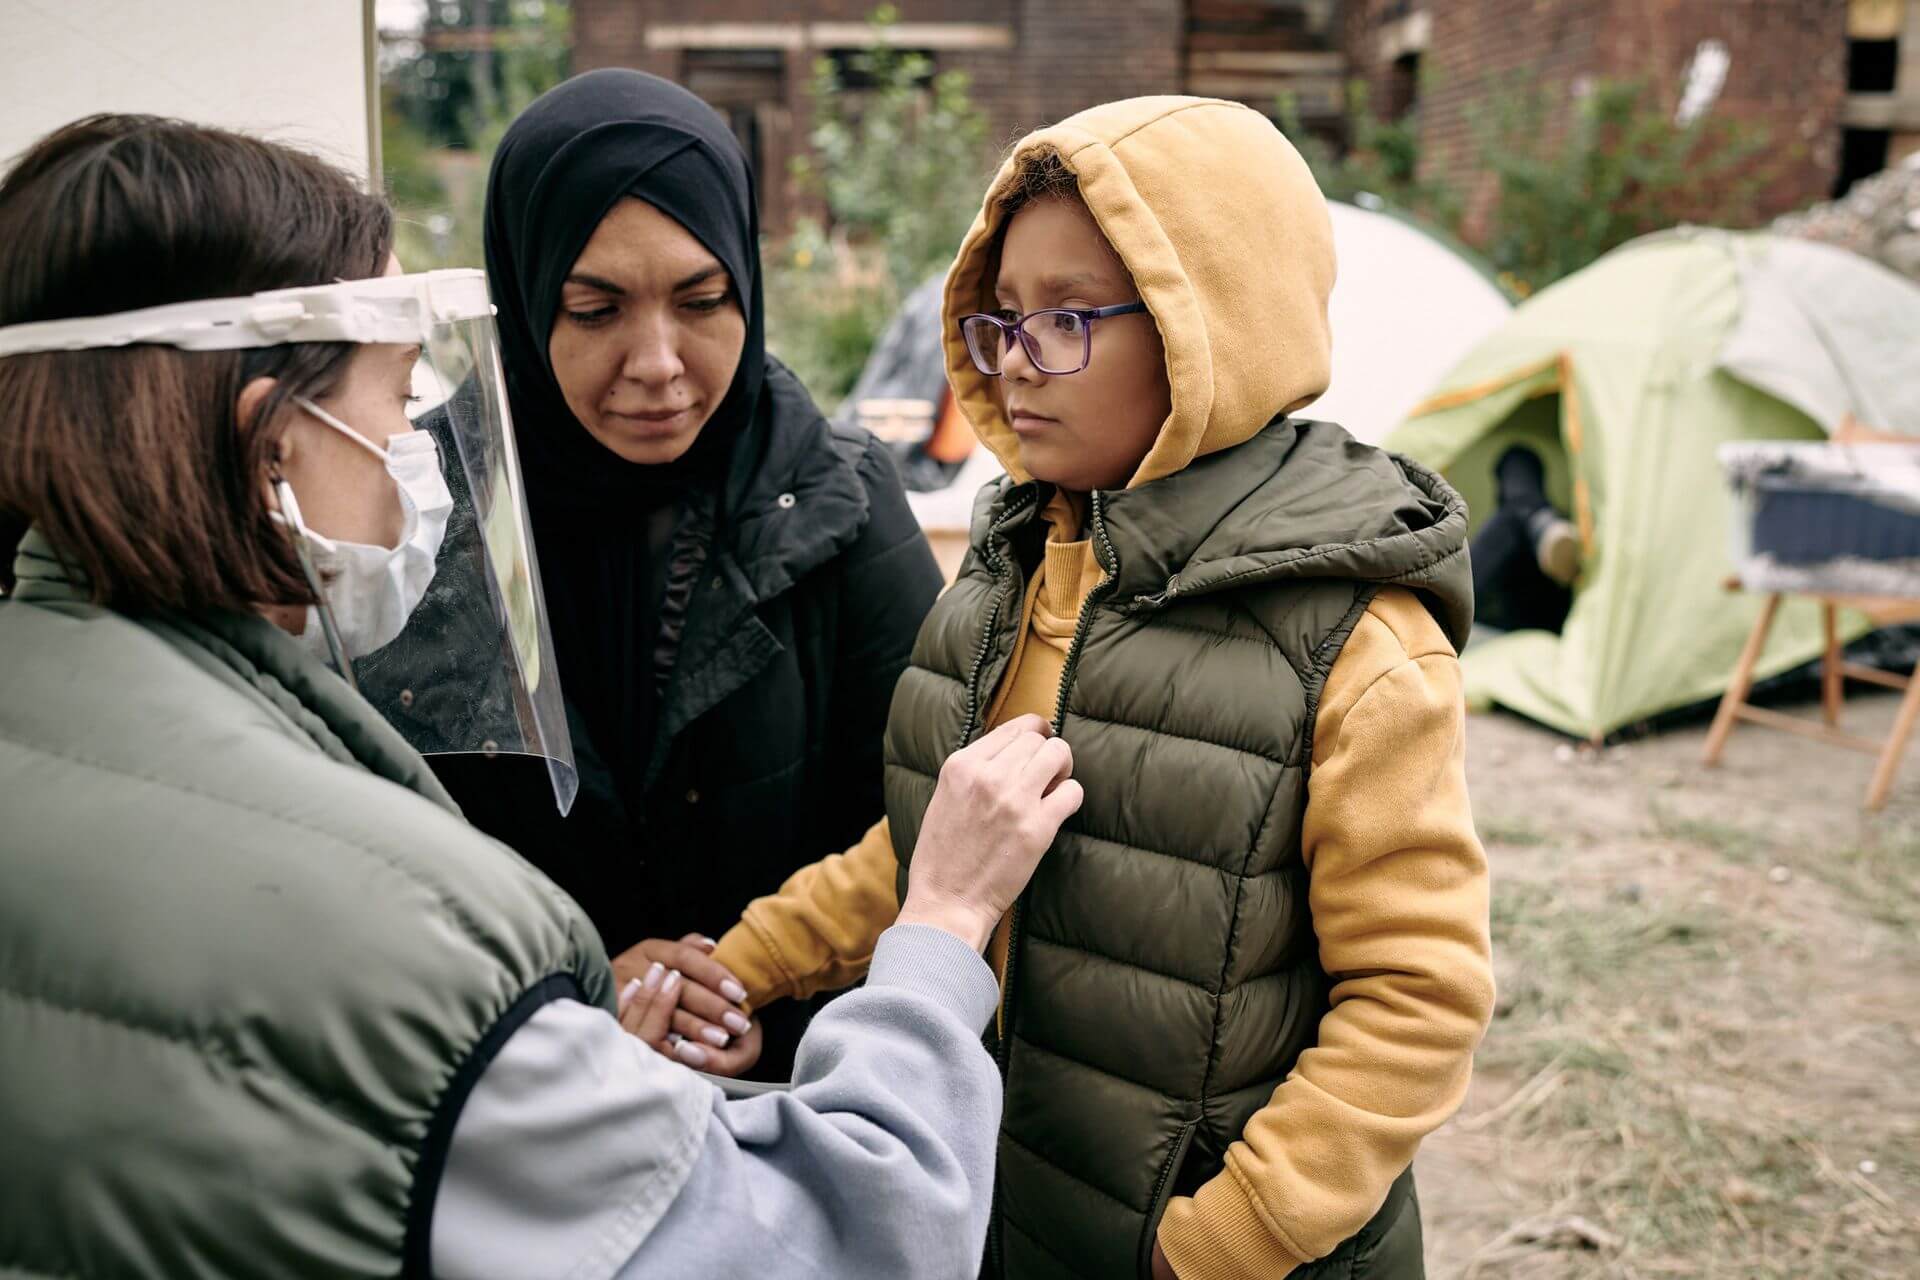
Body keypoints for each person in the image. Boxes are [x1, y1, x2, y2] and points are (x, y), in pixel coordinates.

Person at [0, 113, 1079, 1279]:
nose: (657, 362)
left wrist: (749, 985)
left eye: (703, 298)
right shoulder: (402, 942)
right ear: (272, 445)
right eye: (398, 395)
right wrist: (940, 924)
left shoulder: (59, 709)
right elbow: (846, 1234)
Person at [705, 98, 1498, 1279]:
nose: (1017, 361)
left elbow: (1418, 1000)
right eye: (1003, 319)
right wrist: (745, 963)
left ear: (1209, 325)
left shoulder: (1355, 639)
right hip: (1010, 1216)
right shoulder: (1000, 581)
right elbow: (930, 849)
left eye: (1069, 318)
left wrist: (1222, 1241)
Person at [358, 69, 944, 1080]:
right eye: (595, 310)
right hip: (516, 1113)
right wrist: (575, 981)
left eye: (702, 298)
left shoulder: (840, 505)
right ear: (524, 297)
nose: (659, 362)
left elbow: (927, 840)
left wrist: (777, 1019)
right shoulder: (418, 514)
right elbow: (374, 873)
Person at [1467, 445, 1580, 633]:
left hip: (1531, 615)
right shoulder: (1509, 528)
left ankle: (1542, 526)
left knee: (1515, 511)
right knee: (1520, 512)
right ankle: (1544, 525)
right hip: (1531, 614)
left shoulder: (1504, 525)